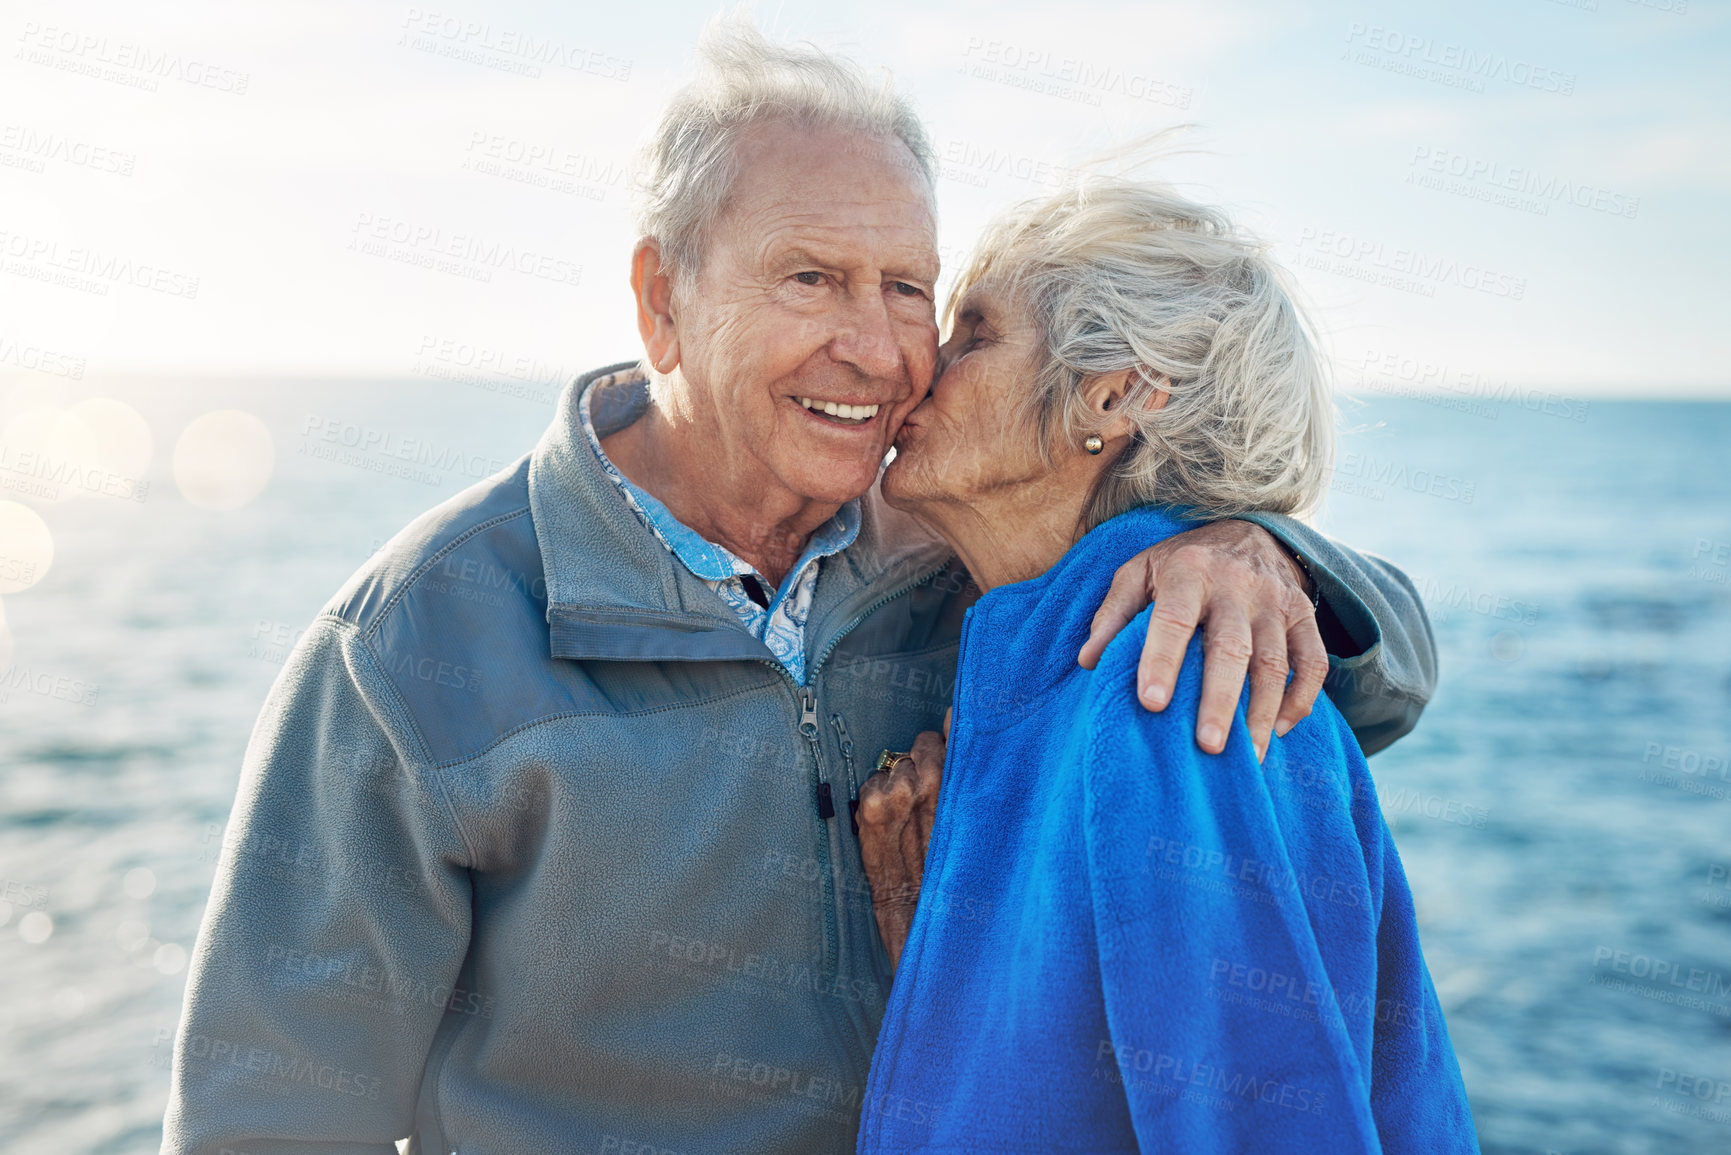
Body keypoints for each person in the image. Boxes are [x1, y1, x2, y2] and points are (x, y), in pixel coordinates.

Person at [161, 22, 1437, 1155]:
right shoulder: (413, 644)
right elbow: (267, 1113)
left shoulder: (1018, 586)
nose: (882, 354)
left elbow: (1355, 701)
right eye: (810, 278)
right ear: (665, 303)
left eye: (913, 294)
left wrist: (1264, 551)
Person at [855, 180, 1477, 1151]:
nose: (924, 364)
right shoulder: (1048, 676)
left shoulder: (1177, 685)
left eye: (974, 333)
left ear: (1111, 397)